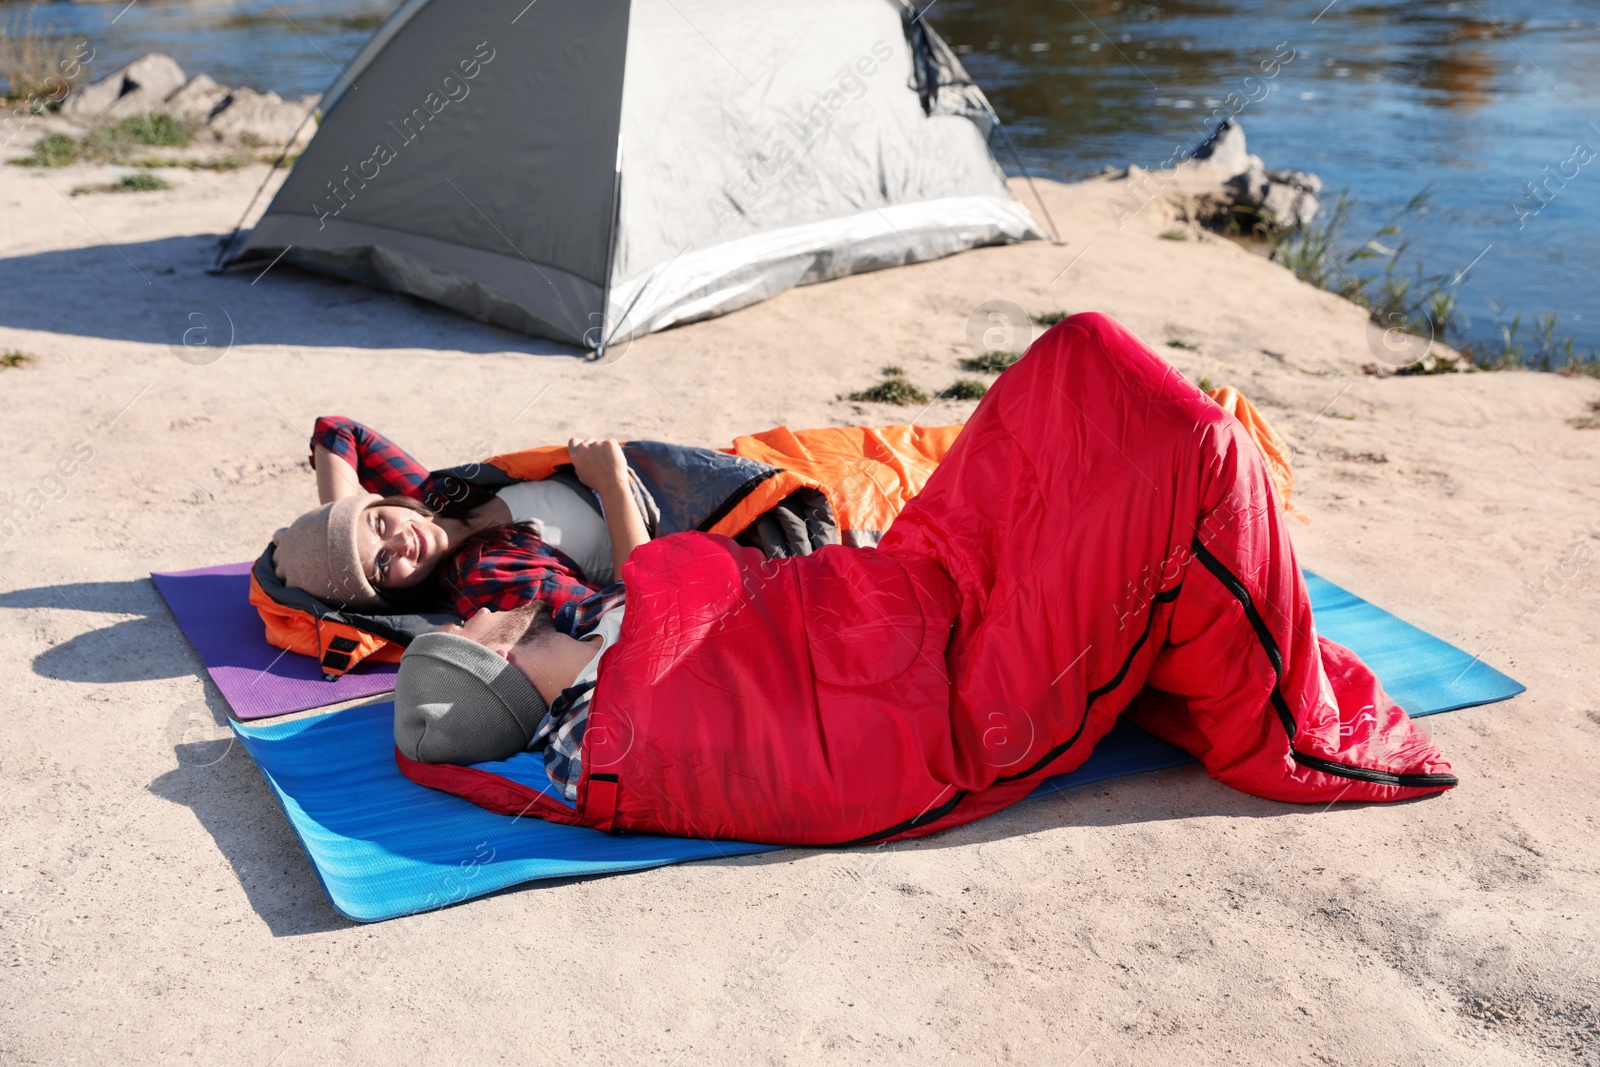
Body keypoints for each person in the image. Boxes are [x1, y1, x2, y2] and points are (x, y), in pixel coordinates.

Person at [393, 313, 1458, 847]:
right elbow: (787, 755)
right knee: (1197, 456)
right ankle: (1288, 718)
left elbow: (669, 586)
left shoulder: (585, 623)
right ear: (493, 668)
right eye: (484, 627)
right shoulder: (599, 737)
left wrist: (614, 496)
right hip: (961, 682)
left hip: (907, 585)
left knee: (1075, 356)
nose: (491, 607)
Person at [270, 417, 650, 618]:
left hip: (664, 471)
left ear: (382, 503)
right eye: (384, 565)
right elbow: (630, 613)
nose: (403, 542)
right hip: (681, 523)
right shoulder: (486, 578)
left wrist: (341, 523)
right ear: (389, 594)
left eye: (380, 525)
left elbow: (338, 430)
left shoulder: (432, 500)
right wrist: (612, 484)